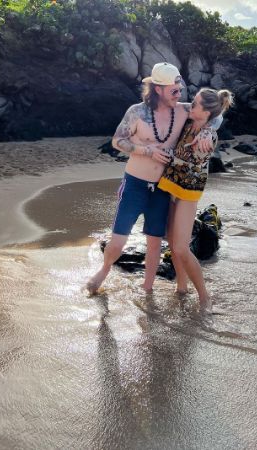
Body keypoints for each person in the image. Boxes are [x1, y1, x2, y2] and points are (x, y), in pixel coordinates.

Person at [86, 63, 217, 295]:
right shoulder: (137, 112)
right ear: (158, 89)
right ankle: (105, 269)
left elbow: (214, 113)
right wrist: (146, 150)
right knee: (117, 243)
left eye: (180, 88)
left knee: (155, 241)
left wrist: (207, 132)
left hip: (163, 188)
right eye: (174, 90)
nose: (179, 93)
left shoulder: (182, 110)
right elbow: (118, 140)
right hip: (135, 184)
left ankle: (147, 288)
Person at [157, 88, 234, 313]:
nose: (192, 105)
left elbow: (212, 129)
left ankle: (204, 296)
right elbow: (214, 117)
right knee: (172, 243)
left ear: (207, 111)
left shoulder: (208, 134)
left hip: (186, 194)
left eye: (197, 104)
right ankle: (181, 288)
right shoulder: (190, 123)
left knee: (180, 247)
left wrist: (208, 132)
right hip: (169, 186)